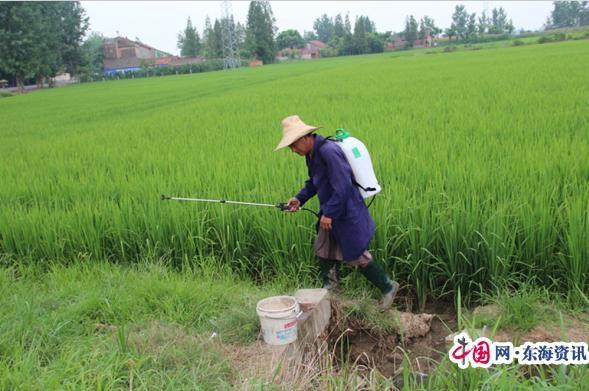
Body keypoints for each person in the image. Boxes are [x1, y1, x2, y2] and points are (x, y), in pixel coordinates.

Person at [275, 115, 399, 310]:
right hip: (331, 211)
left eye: (293, 145)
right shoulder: (312, 155)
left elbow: (342, 186)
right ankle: (331, 290)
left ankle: (388, 286)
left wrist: (330, 213)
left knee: (356, 255)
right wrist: (299, 198)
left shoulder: (328, 151)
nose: (293, 150)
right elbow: (315, 182)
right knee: (323, 248)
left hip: (345, 212)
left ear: (304, 138)